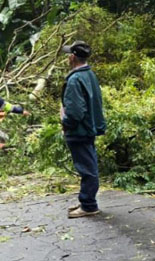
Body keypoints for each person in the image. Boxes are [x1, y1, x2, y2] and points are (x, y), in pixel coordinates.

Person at [61, 40, 105, 219]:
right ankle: (86, 201)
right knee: (89, 165)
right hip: (89, 127)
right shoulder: (89, 74)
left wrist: (66, 124)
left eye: (68, 55)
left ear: (72, 57)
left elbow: (75, 111)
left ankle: (88, 205)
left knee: (87, 168)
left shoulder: (75, 79)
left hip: (79, 130)